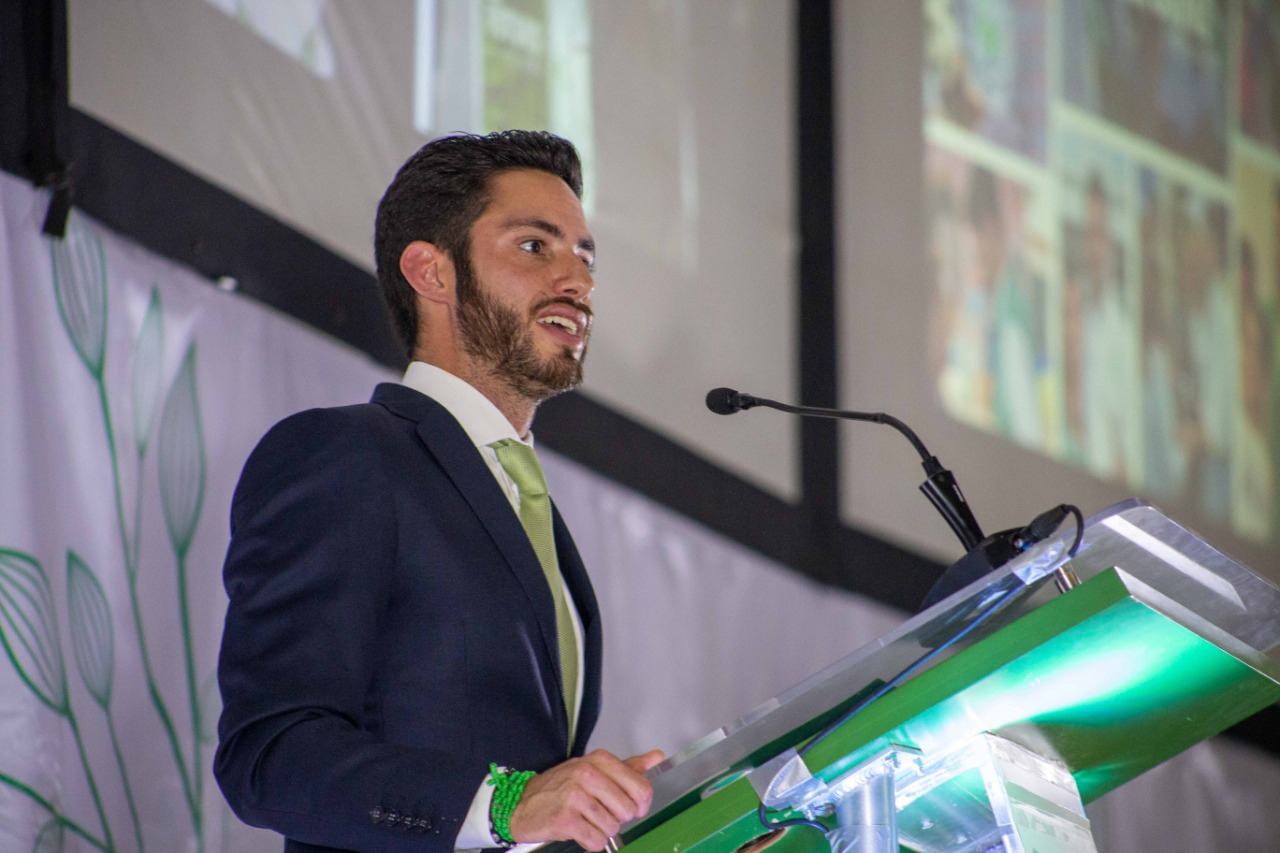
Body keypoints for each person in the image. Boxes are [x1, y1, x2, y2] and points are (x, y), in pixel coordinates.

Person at [215, 130, 663, 853]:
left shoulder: (523, 500)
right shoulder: (346, 455)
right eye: (535, 246)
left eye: (585, 257)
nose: (577, 281)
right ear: (431, 271)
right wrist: (508, 802)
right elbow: (269, 755)